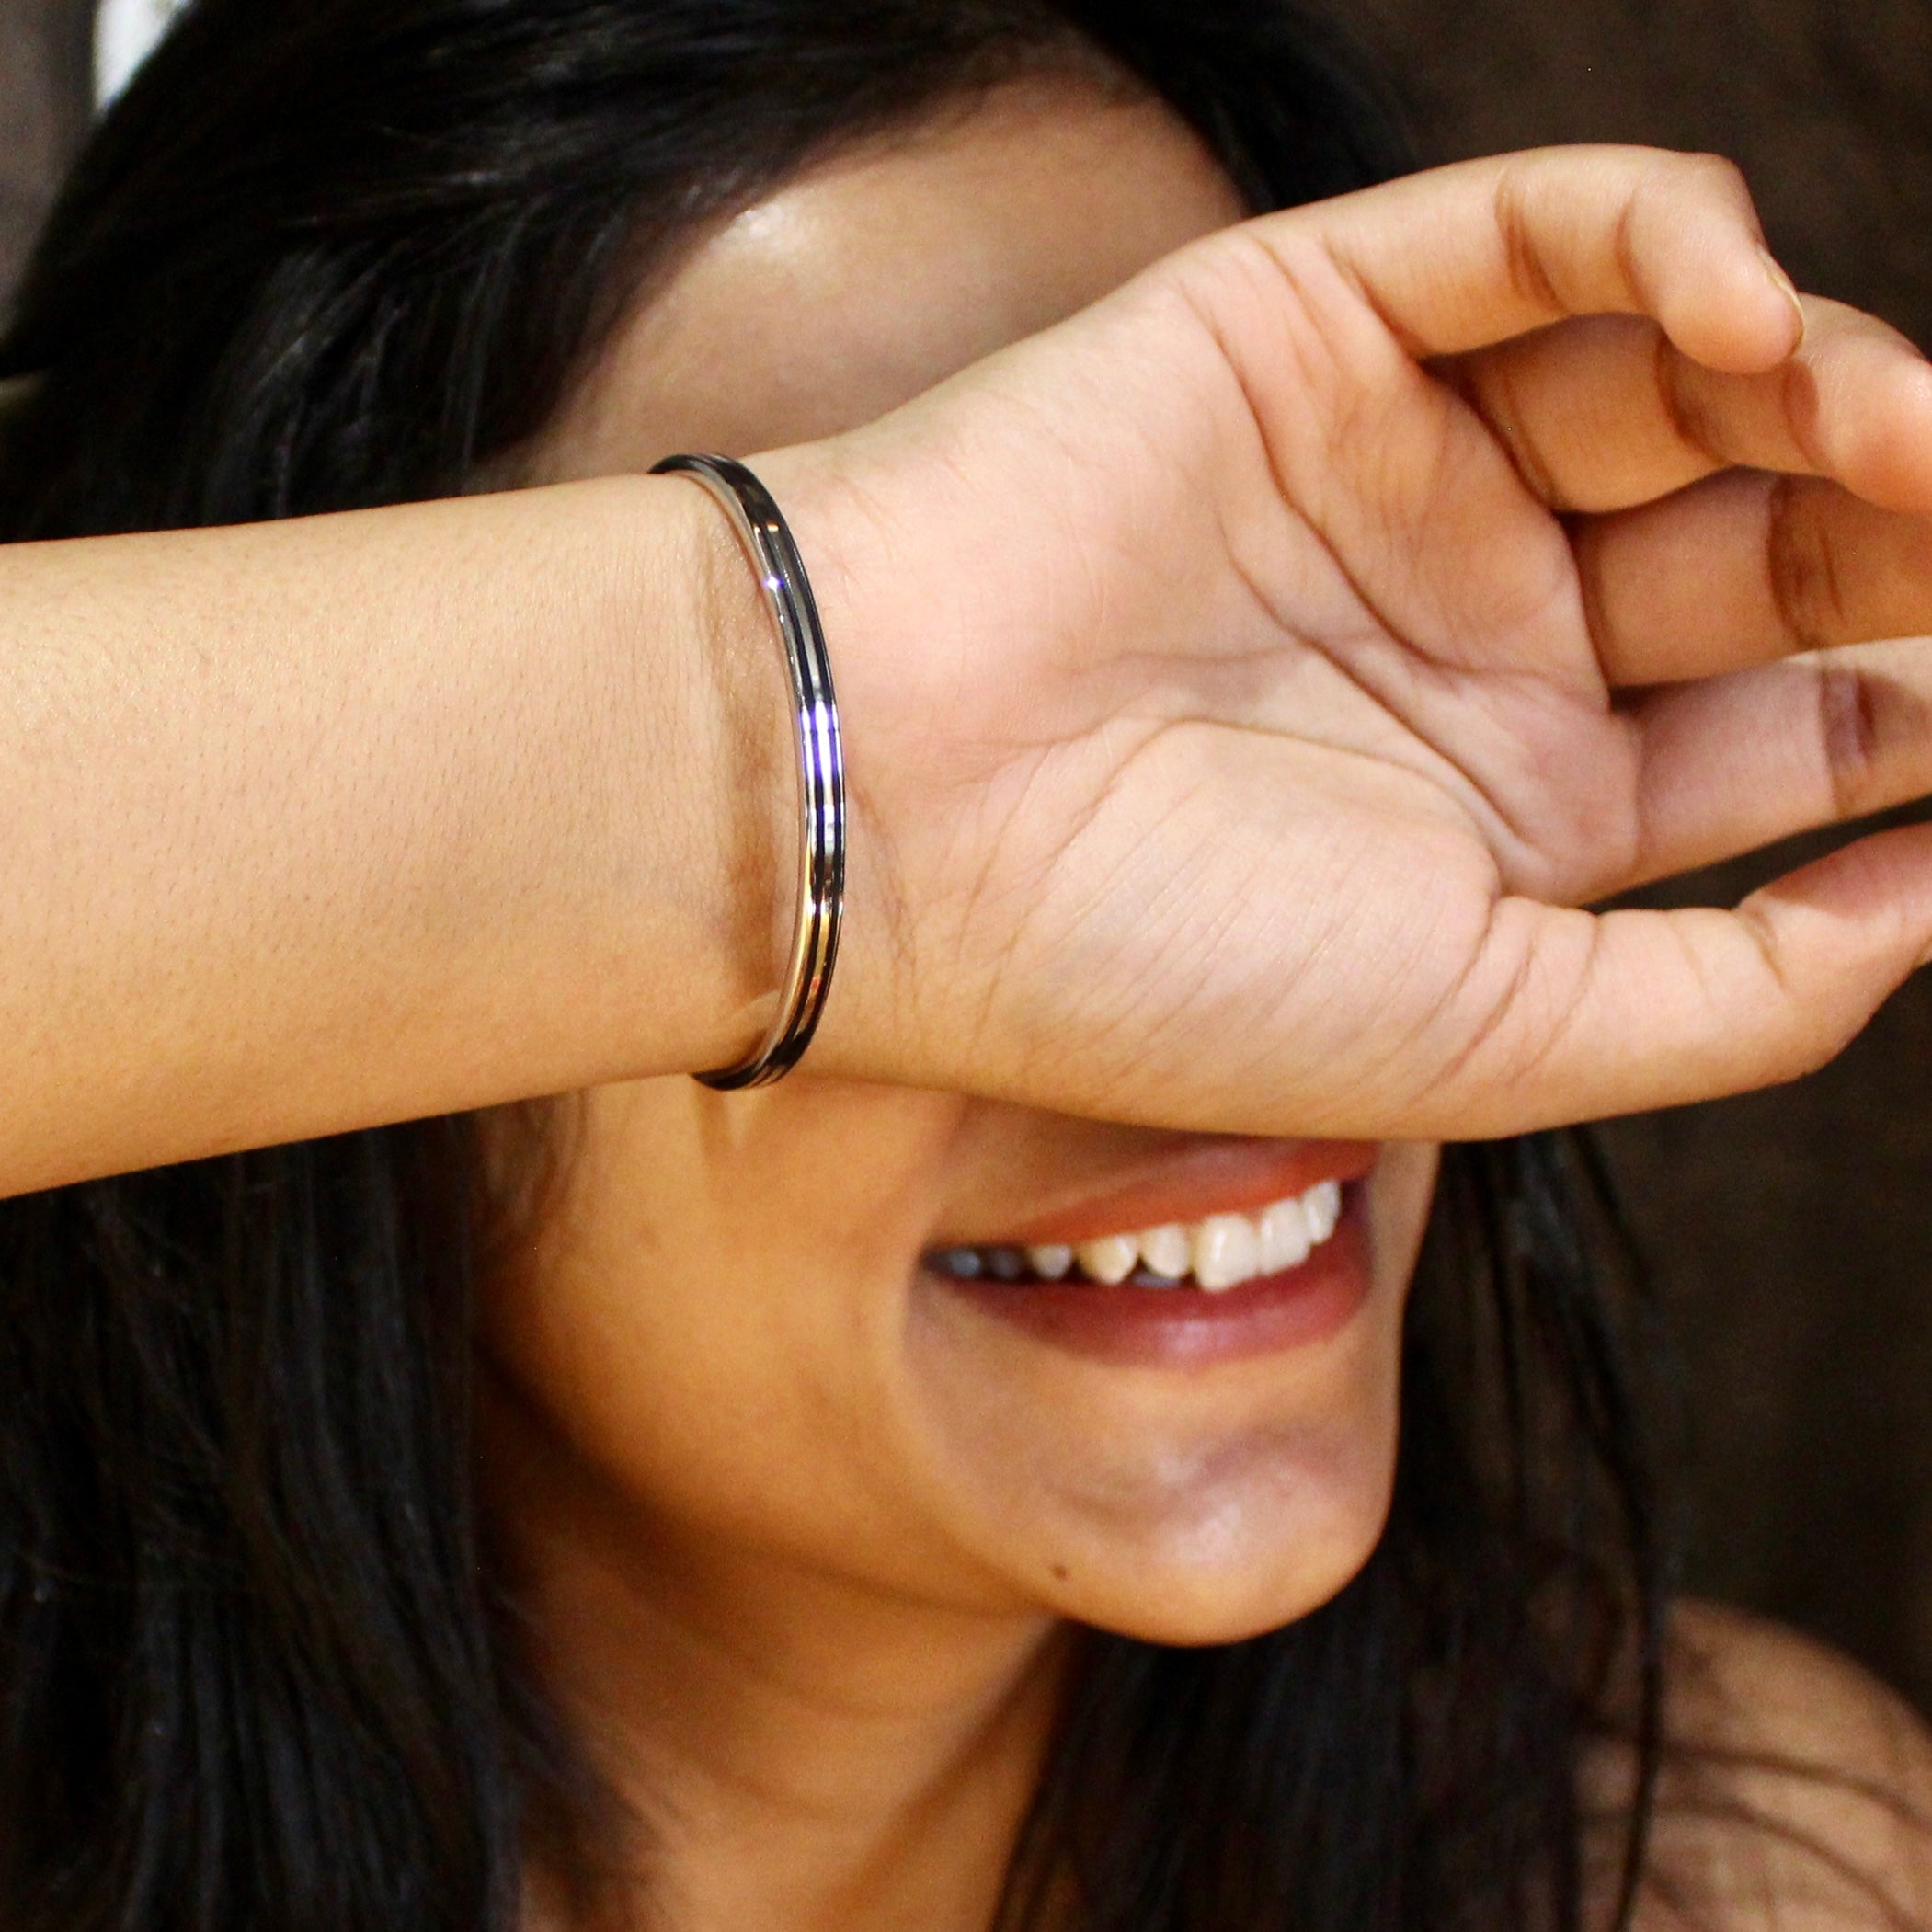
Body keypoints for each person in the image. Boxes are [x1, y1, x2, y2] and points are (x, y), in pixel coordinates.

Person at [5, 1, 1932, 1926]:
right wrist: (778, 761)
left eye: (1281, 692)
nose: (1210, 993)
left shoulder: (1734, 1872)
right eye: (853, 643)